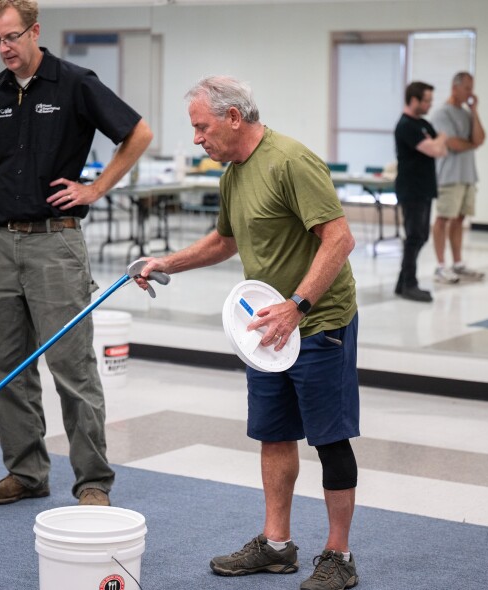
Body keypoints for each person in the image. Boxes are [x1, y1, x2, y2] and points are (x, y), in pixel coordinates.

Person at [137, 76, 360, 590]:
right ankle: (276, 546)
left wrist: (298, 306)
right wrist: (163, 262)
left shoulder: (290, 161)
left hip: (320, 321)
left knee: (330, 439)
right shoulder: (233, 173)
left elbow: (339, 238)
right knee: (274, 432)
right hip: (265, 328)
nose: (197, 139)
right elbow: (225, 240)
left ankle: (339, 556)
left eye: (202, 127)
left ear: (234, 118)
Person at [0, 0, 153, 506]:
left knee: (72, 368)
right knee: (6, 365)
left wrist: (96, 189)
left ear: (35, 31)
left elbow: (138, 133)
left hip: (55, 242)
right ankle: (25, 472)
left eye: (11, 38)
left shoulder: (74, 83)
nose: (4, 49)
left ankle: (92, 482)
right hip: (0, 242)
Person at [394, 81, 449, 302]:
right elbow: (437, 147)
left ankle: (402, 282)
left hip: (425, 188)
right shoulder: (406, 125)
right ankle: (409, 284)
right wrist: (440, 139)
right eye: (426, 100)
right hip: (411, 188)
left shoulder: (424, 124)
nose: (429, 104)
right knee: (415, 236)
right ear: (414, 100)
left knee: (421, 235)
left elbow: (440, 151)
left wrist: (437, 143)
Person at [429, 72, 486, 284]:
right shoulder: (441, 113)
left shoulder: (466, 113)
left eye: (472, 88)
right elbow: (452, 143)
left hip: (468, 174)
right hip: (449, 175)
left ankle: (458, 263)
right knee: (443, 218)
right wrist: (472, 143)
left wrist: (474, 111)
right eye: (467, 88)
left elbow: (480, 138)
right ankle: (440, 266)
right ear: (455, 88)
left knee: (460, 218)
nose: (471, 93)